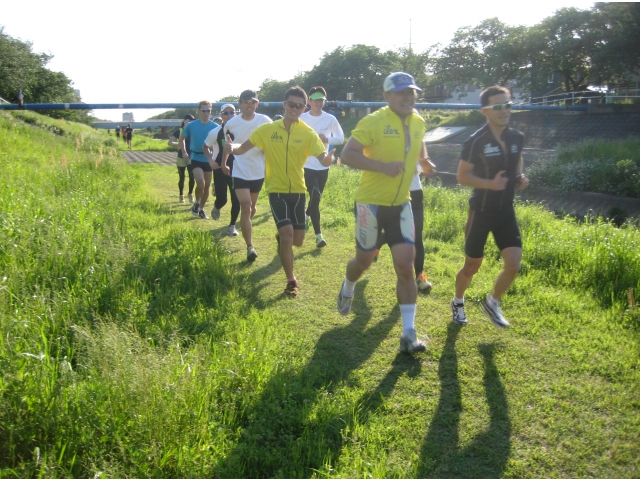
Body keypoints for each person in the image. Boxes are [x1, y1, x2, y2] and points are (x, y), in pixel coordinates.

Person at [336, 72, 435, 354]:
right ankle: (348, 286)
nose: (408, 97)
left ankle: (408, 333)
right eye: (401, 92)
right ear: (387, 96)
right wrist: (382, 166)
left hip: (402, 203)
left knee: (406, 265)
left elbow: (416, 145)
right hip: (370, 204)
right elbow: (348, 154)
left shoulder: (418, 122)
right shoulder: (373, 121)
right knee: (363, 262)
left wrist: (424, 162)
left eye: (411, 92)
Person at [224, 86, 332, 297]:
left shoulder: (308, 134)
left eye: (300, 106)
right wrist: (232, 148)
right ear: (284, 105)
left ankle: (282, 242)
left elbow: (323, 157)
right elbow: (244, 147)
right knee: (287, 235)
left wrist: (329, 159)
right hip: (276, 190)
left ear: (304, 108)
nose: (295, 108)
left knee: (298, 240)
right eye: (291, 104)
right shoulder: (268, 130)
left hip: (299, 191)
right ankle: (291, 280)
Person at [450, 85, 529, 328]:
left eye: (508, 105)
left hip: (506, 211)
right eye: (498, 106)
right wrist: (490, 184)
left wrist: (520, 177)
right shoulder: (476, 142)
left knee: (513, 264)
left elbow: (518, 160)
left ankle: (492, 302)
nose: (505, 110)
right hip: (481, 212)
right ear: (485, 111)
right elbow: (462, 176)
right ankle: (458, 301)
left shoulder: (516, 137)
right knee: (472, 265)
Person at [222, 90, 271, 261]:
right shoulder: (231, 124)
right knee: (246, 204)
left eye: (253, 101)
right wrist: (223, 163)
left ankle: (244, 224)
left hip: (258, 171)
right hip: (239, 170)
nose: (249, 105)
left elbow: (273, 140)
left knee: (252, 207)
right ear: (240, 103)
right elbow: (226, 145)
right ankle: (250, 246)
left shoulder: (265, 121)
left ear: (257, 104)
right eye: (246, 102)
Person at [373, 165, 433, 292]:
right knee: (397, 234)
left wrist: (424, 165)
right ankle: (381, 239)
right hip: (393, 192)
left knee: (416, 236)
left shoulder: (419, 144)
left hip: (415, 192)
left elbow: (423, 166)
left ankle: (419, 277)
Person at [300, 86, 345, 248]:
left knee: (315, 199)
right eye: (316, 100)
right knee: (316, 197)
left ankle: (305, 216)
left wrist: (327, 138)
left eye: (322, 100)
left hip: (323, 165)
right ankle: (319, 236)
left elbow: (341, 138)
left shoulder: (330, 119)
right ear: (309, 101)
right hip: (306, 165)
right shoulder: (302, 118)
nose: (319, 103)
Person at [204, 104, 241, 236]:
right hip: (219, 168)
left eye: (232, 112)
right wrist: (211, 161)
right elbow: (205, 146)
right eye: (226, 113)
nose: (229, 115)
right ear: (221, 115)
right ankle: (217, 206)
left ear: (236, 114)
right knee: (223, 199)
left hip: (237, 169)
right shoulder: (216, 132)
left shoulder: (242, 130)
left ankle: (232, 226)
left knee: (236, 199)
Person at [178, 100, 219, 219]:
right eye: (204, 110)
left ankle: (200, 208)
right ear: (199, 111)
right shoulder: (191, 125)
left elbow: (219, 143)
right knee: (201, 183)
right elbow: (182, 139)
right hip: (195, 157)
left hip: (208, 159)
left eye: (209, 111)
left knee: (206, 187)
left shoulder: (215, 127)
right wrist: (185, 152)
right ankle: (197, 202)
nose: (206, 113)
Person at [169, 114, 196, 203]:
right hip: (181, 157)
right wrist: (176, 145)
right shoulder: (179, 131)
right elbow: (170, 142)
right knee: (182, 177)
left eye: (192, 121)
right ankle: (181, 195)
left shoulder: (193, 131)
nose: (190, 122)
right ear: (184, 120)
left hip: (191, 157)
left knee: (192, 177)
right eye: (189, 120)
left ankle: (190, 194)